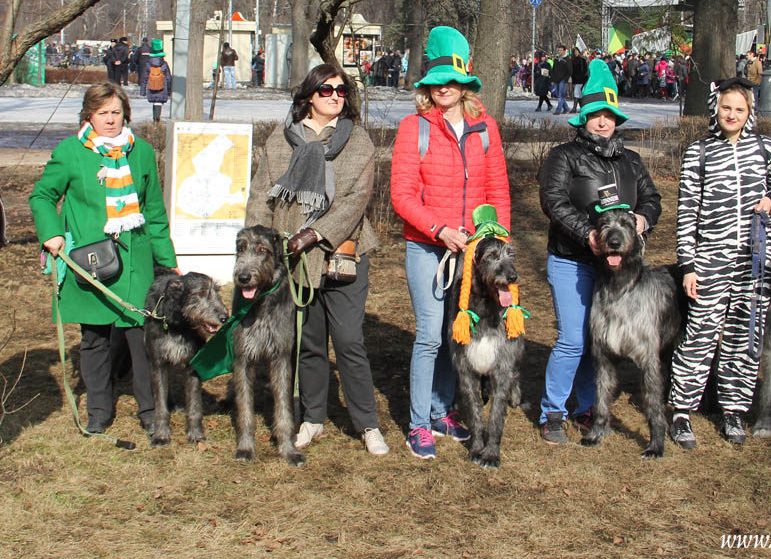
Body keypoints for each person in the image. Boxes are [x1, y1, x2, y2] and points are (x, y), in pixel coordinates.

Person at [245, 64, 388, 456]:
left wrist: (314, 233)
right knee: (307, 342)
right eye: (326, 90)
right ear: (309, 95)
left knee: (348, 341)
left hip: (341, 253)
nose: (335, 97)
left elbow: (356, 201)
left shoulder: (357, 141)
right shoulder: (282, 139)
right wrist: (259, 245)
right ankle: (312, 418)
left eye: (342, 91)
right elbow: (262, 194)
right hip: (291, 259)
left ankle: (368, 424)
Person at [29, 83, 178, 434]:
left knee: (141, 338)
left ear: (126, 113)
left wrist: (167, 261)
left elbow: (154, 211)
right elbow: (42, 195)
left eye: (116, 112)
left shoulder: (140, 151)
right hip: (89, 260)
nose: (110, 120)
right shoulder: (70, 152)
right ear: (89, 116)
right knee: (94, 338)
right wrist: (50, 232)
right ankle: (98, 410)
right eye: (102, 113)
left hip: (135, 263)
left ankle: (149, 411)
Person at [390, 25, 510, 460]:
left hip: (474, 251)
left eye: (452, 80)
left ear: (465, 84)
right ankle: (419, 423)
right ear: (428, 84)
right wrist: (439, 229)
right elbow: (401, 195)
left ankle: (443, 409)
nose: (445, 88)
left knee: (455, 332)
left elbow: (498, 190)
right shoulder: (413, 128)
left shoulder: (485, 128)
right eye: (437, 80)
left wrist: (496, 246)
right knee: (428, 336)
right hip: (427, 248)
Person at [537, 59, 662, 444]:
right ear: (583, 117)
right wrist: (588, 234)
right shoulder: (564, 156)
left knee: (600, 341)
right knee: (574, 339)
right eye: (595, 115)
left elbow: (652, 198)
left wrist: (643, 219)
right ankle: (552, 410)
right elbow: (553, 202)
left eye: (609, 115)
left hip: (618, 269)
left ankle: (589, 405)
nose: (603, 122)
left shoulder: (632, 160)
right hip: (572, 260)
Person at [669, 77, 771, 448]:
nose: (732, 115)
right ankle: (681, 410)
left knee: (744, 334)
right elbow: (687, 212)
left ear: (750, 112)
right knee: (700, 332)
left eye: (739, 109)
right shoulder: (699, 152)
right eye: (726, 108)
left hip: (755, 260)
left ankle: (734, 408)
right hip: (710, 258)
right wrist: (688, 264)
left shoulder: (767, 148)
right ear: (715, 109)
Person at [143, 39, 172, 122]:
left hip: (151, 86)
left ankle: (154, 118)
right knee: (159, 102)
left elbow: (144, 77)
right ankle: (157, 119)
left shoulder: (148, 64)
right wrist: (169, 90)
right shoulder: (164, 64)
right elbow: (168, 78)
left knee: (154, 102)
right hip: (162, 86)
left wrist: (143, 91)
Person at [550, 45, 571, 115]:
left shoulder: (567, 60)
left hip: (563, 80)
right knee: (557, 94)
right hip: (556, 80)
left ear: (564, 51)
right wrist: (552, 79)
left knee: (561, 95)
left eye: (561, 50)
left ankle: (558, 110)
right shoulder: (556, 60)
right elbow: (553, 70)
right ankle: (566, 108)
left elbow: (570, 71)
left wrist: (566, 79)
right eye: (558, 50)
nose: (559, 52)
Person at [570, 46, 589, 112]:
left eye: (577, 51)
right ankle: (582, 108)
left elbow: (585, 70)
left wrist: (583, 77)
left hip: (581, 79)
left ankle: (574, 108)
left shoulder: (582, 60)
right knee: (579, 94)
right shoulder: (572, 60)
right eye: (574, 52)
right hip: (575, 79)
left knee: (576, 93)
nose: (576, 53)